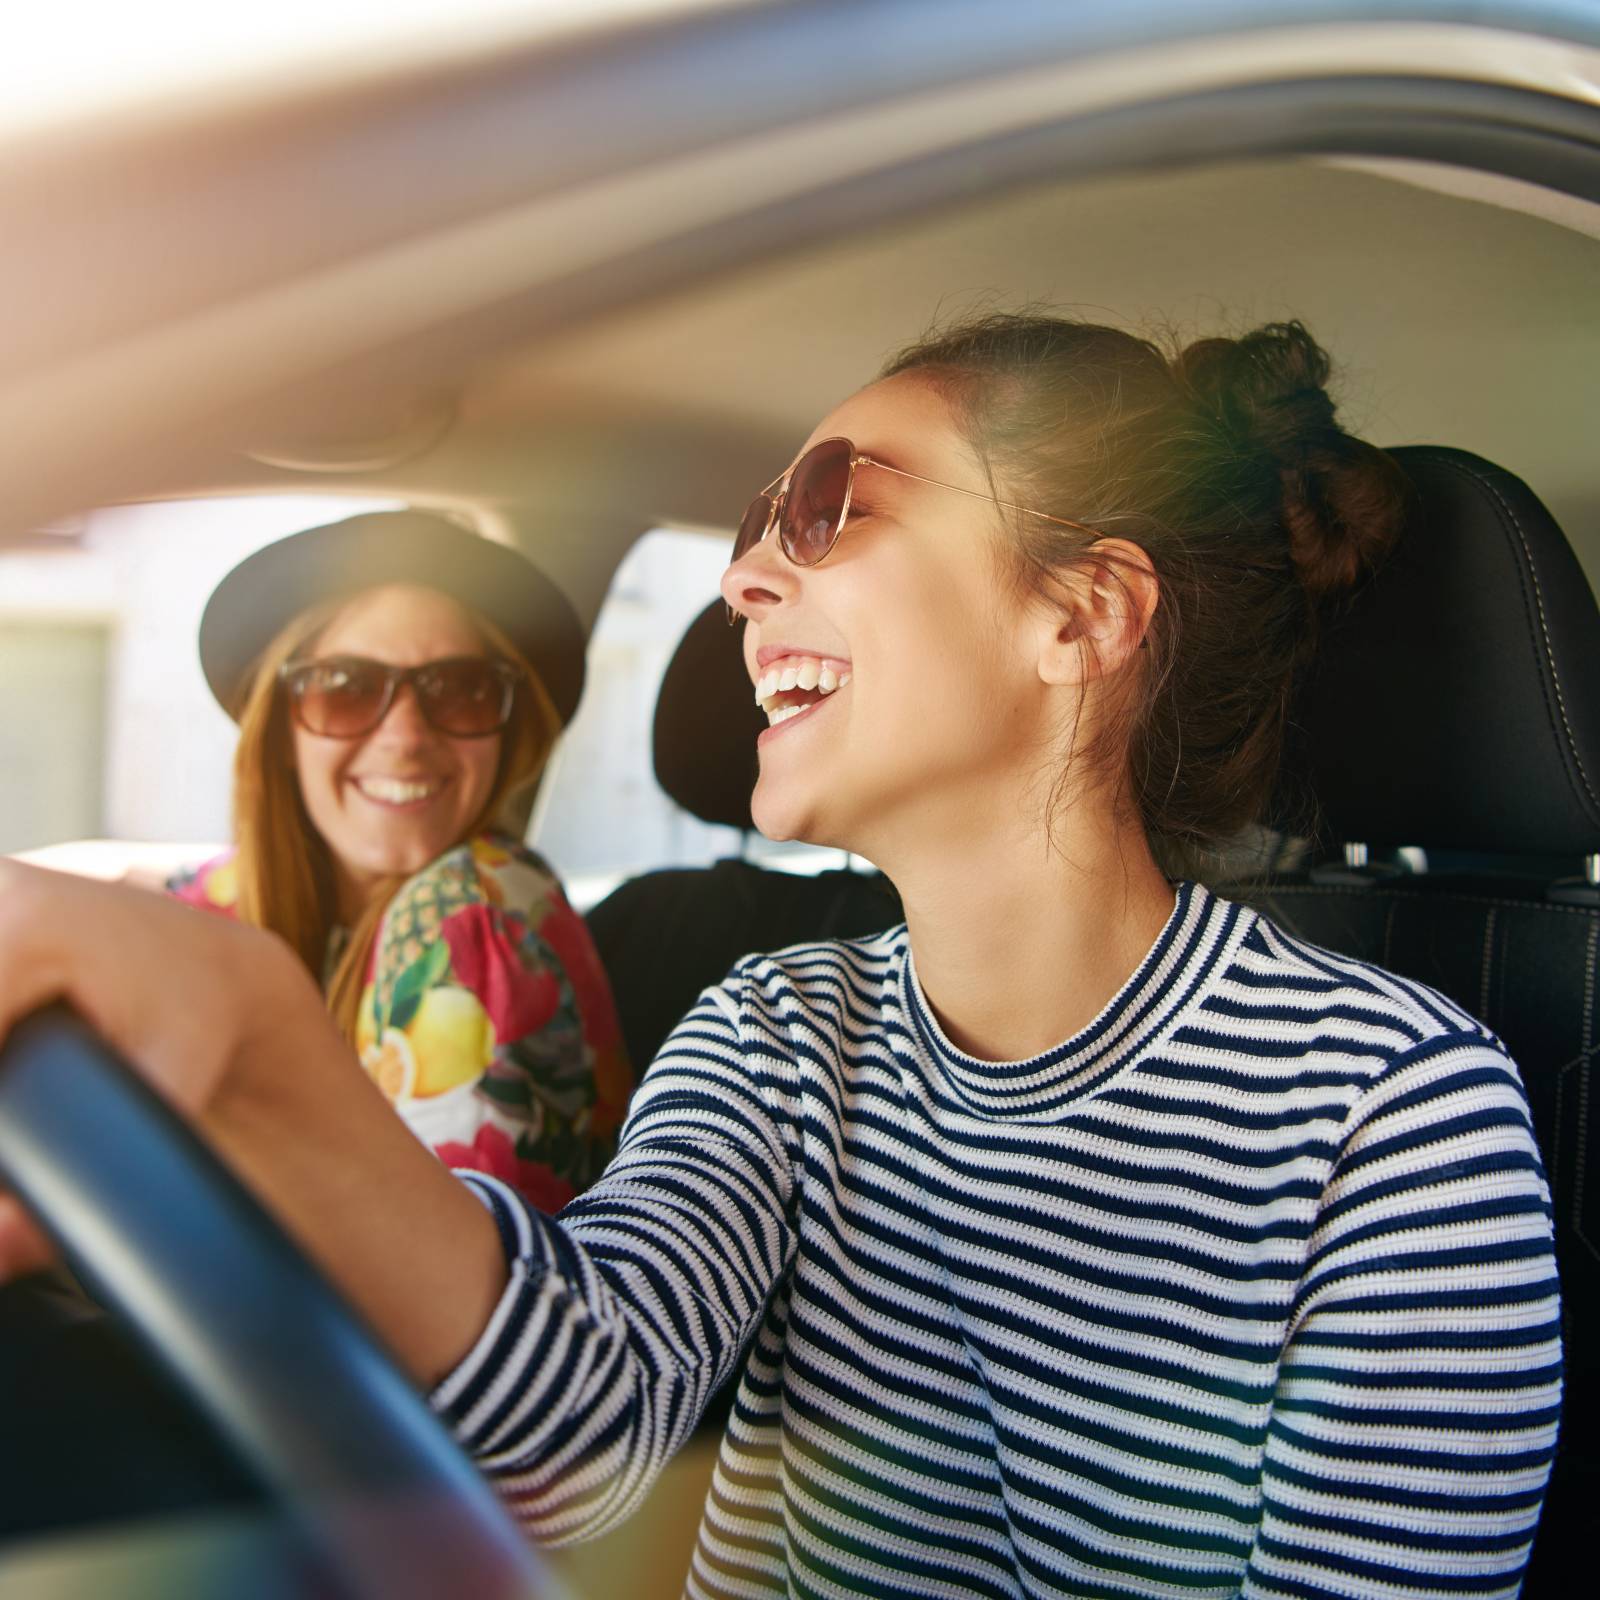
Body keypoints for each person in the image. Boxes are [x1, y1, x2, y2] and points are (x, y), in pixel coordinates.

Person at [0, 315, 1559, 1598]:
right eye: (752, 533)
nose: (744, 580)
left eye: (828, 505)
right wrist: (251, 1043)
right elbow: (582, 1424)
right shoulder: (782, 1030)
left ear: (1084, 616)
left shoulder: (1397, 1119)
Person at [171, 511, 631, 1209]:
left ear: (507, 733)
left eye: (461, 689)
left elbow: (444, 1297)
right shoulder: (212, 904)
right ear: (281, 730)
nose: (406, 737)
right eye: (346, 687)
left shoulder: (474, 913)